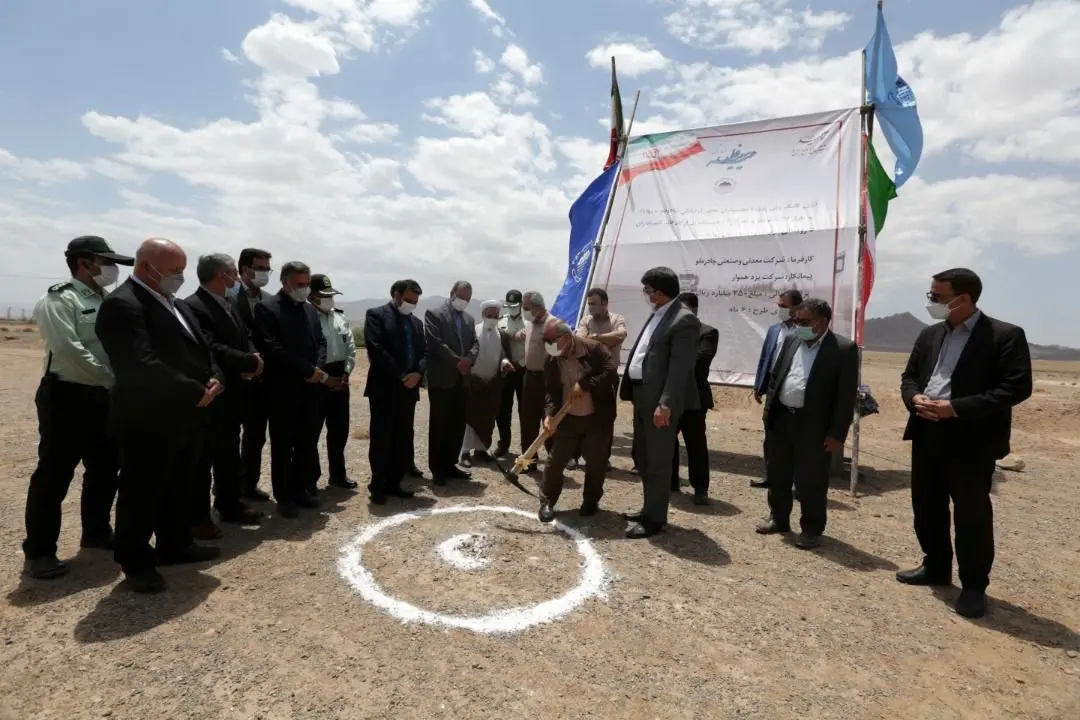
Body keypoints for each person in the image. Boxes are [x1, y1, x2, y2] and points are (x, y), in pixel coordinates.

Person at [897, 268, 1032, 619]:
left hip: (972, 439)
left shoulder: (1004, 335)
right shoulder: (929, 335)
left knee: (971, 513)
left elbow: (1015, 388)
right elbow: (910, 377)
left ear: (964, 298)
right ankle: (936, 566)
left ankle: (974, 585)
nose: (931, 302)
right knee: (927, 505)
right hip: (927, 432)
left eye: (937, 297)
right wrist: (914, 400)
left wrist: (955, 409)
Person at [95, 238, 224, 593]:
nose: (180, 277)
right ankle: (135, 559)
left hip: (187, 414)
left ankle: (175, 543)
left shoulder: (175, 304)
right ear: (145, 267)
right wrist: (193, 390)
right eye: (173, 271)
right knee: (142, 489)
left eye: (182, 269)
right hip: (147, 417)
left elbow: (202, 348)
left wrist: (213, 379)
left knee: (179, 484)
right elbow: (139, 364)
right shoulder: (123, 305)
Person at [21, 236, 131, 580]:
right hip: (68, 396)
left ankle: (96, 532)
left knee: (104, 468)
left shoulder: (107, 299)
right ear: (85, 263)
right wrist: (112, 379)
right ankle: (39, 551)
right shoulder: (60, 299)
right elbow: (69, 349)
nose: (112, 269)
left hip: (104, 398)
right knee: (54, 475)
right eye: (106, 261)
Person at [756, 298, 858, 549]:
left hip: (814, 426)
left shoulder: (843, 349)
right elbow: (776, 376)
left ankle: (811, 529)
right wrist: (770, 414)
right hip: (782, 420)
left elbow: (845, 396)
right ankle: (779, 519)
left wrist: (837, 433)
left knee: (811, 480)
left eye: (803, 322)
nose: (797, 326)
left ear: (822, 322)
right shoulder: (792, 340)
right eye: (795, 321)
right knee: (777, 473)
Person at [184, 253, 264, 540]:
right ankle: (198, 517)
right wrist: (247, 361)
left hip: (236, 395)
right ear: (222, 275)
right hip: (213, 394)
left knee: (228, 455)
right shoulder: (193, 306)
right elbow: (210, 347)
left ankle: (229, 504)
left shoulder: (229, 305)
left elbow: (243, 338)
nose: (236, 280)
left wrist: (252, 360)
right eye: (233, 274)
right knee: (203, 459)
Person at [619, 267, 699, 539]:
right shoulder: (659, 314)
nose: (646, 295)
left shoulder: (683, 320)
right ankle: (648, 508)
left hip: (659, 402)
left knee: (658, 460)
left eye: (648, 290)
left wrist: (665, 403)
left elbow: (680, 368)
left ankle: (655, 519)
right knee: (644, 457)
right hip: (643, 396)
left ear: (661, 292)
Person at [254, 261, 327, 518]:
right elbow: (272, 348)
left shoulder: (309, 310)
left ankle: (301, 490)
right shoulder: (267, 308)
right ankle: (283, 496)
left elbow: (319, 342)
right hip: (283, 389)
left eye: (307, 284)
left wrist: (316, 368)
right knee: (283, 445)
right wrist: (307, 370)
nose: (305, 289)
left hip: (310, 389)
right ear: (285, 282)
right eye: (300, 285)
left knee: (306, 443)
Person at [538, 321, 618, 523]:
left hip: (596, 418)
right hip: (568, 419)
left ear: (564, 339)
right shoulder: (552, 358)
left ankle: (591, 501)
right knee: (555, 462)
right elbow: (551, 390)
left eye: (549, 341)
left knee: (596, 463)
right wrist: (549, 414)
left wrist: (584, 385)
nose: (546, 345)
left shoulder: (593, 349)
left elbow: (610, 372)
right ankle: (547, 501)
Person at [364, 280, 426, 504]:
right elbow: (376, 350)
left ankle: (394, 482)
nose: (411, 304)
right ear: (396, 295)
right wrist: (402, 376)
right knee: (382, 437)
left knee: (402, 437)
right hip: (385, 388)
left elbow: (424, 352)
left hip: (409, 390)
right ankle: (378, 485)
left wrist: (418, 373)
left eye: (415, 301)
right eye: (408, 300)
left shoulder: (417, 323)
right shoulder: (377, 316)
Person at [424, 281, 479, 485]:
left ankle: (450, 464)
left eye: (468, 298)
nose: (464, 301)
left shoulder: (469, 320)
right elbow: (435, 343)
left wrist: (468, 360)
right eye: (462, 296)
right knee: (440, 424)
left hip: (462, 380)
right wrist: (458, 362)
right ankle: (437, 468)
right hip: (442, 379)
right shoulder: (434, 314)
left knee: (457, 424)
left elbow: (475, 344)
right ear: (452, 294)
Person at [308, 273, 358, 491]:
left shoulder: (339, 316)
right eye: (324, 295)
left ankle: (337, 474)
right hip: (316, 377)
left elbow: (350, 347)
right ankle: (310, 479)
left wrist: (347, 371)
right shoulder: (307, 317)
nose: (329, 299)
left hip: (340, 375)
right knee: (311, 432)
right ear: (312, 295)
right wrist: (324, 378)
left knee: (339, 430)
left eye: (331, 295)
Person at [568, 287, 627, 471]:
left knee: (605, 418)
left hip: (607, 377)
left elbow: (621, 335)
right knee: (578, 416)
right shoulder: (585, 320)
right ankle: (573, 456)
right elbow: (579, 341)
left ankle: (602, 457)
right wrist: (604, 341)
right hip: (585, 375)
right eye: (589, 304)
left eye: (594, 304)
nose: (591, 307)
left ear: (604, 303)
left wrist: (594, 338)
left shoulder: (617, 319)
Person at [751, 288, 803, 489]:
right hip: (773, 390)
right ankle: (771, 476)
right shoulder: (774, 330)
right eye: (779, 306)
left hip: (793, 389)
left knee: (795, 439)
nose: (780, 309)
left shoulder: (803, 332)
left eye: (784, 306)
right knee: (770, 436)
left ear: (796, 307)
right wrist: (759, 385)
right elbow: (765, 357)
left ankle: (798, 483)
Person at [670, 292, 719, 505]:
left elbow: (700, 363)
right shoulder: (669, 332)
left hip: (694, 398)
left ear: (694, 310)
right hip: (670, 396)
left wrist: (673, 364)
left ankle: (700, 488)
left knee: (696, 444)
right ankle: (671, 482)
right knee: (668, 441)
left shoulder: (707, 333)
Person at [234, 247, 274, 502]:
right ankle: (226, 489)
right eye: (260, 268)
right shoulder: (228, 297)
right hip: (236, 376)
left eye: (267, 269)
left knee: (256, 436)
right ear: (244, 269)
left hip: (262, 379)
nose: (264, 273)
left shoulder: (268, 300)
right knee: (226, 438)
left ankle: (248, 484)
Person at [460, 300, 512, 467]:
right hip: (474, 382)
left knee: (487, 418)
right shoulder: (473, 331)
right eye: (489, 315)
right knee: (470, 418)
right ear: (483, 315)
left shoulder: (502, 335)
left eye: (495, 316)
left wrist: (505, 363)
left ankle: (481, 450)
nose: (492, 318)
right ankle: (465, 452)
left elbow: (504, 355)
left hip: (491, 384)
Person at [518, 291, 560, 473]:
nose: (524, 311)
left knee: (549, 422)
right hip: (530, 378)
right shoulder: (530, 324)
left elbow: (561, 355)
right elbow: (517, 336)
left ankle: (554, 463)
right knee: (527, 420)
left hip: (548, 380)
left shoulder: (554, 325)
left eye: (526, 308)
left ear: (538, 307)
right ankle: (529, 460)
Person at [494, 290, 527, 458]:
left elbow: (533, 347)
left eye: (515, 304)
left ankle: (527, 448)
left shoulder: (529, 322)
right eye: (509, 304)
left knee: (526, 410)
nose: (512, 307)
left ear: (521, 304)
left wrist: (520, 364)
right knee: (503, 409)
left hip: (524, 370)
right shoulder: (501, 322)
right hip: (506, 371)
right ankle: (504, 443)